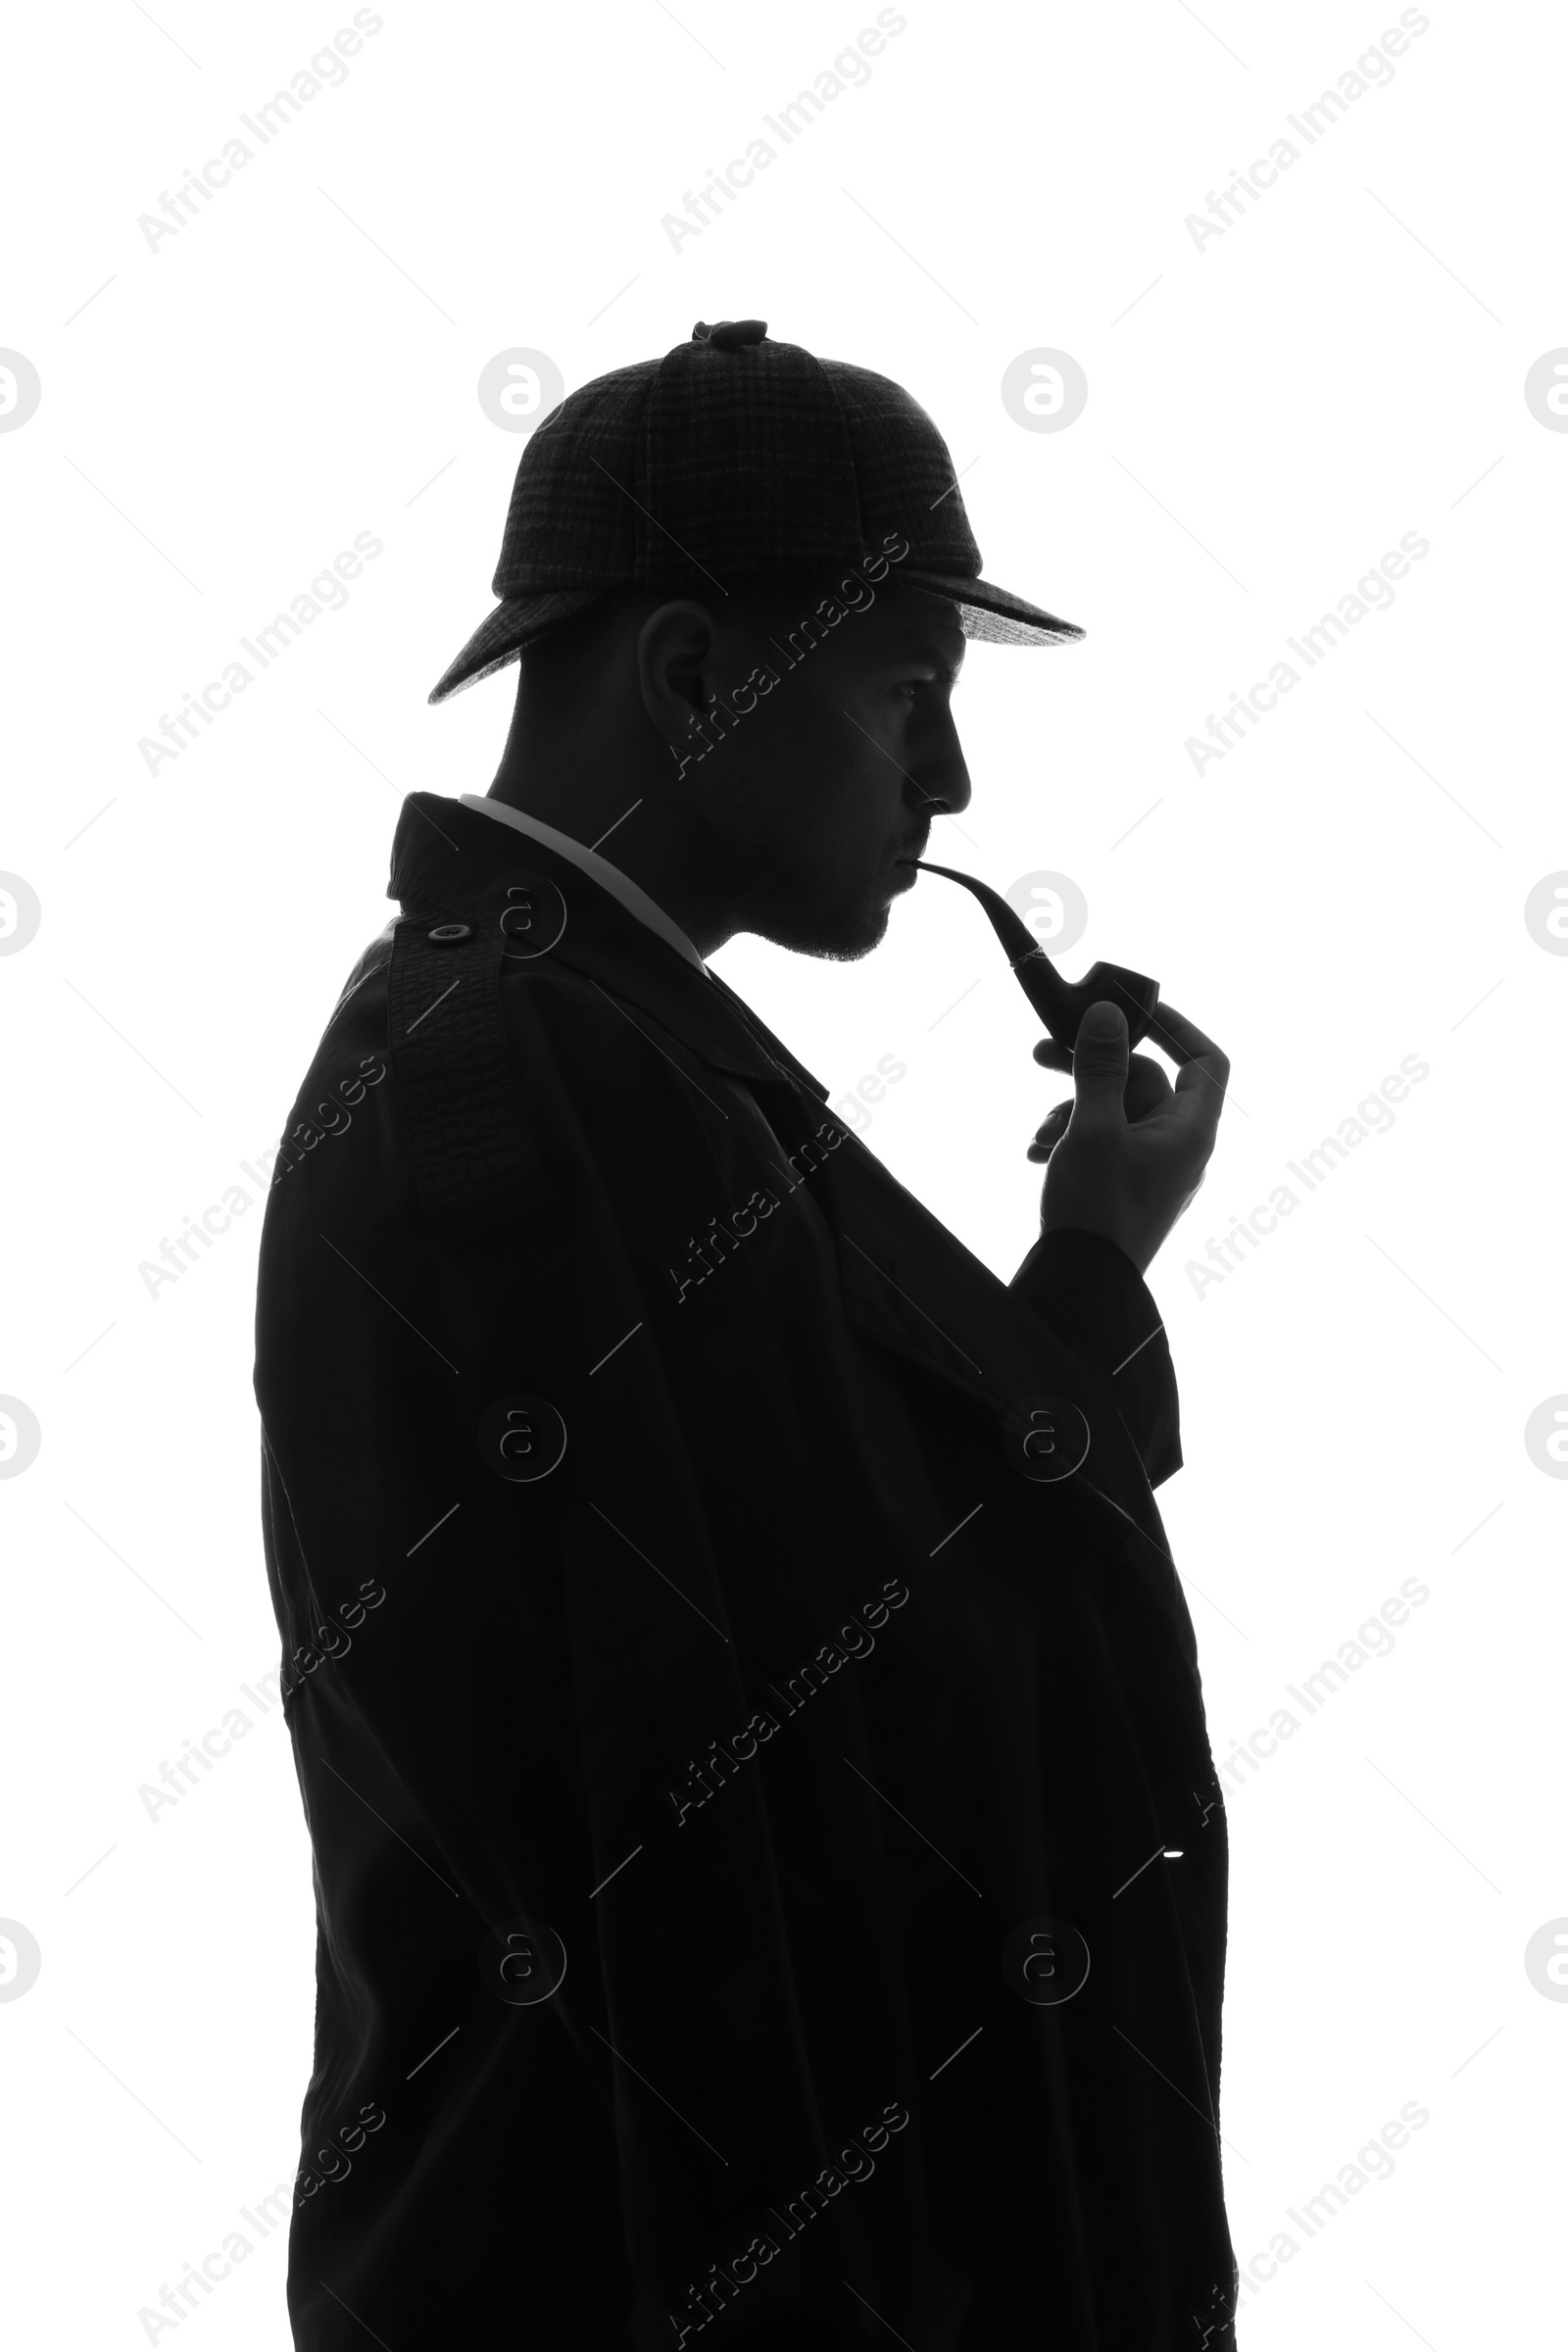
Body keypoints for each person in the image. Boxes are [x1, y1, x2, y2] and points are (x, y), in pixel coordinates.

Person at [254, 318, 1236, 2349]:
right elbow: (689, 1853)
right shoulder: (506, 1087)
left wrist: (1085, 1275)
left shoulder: (607, 1063)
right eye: (911, 695)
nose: (950, 777)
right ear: (699, 684)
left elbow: (866, 1621)